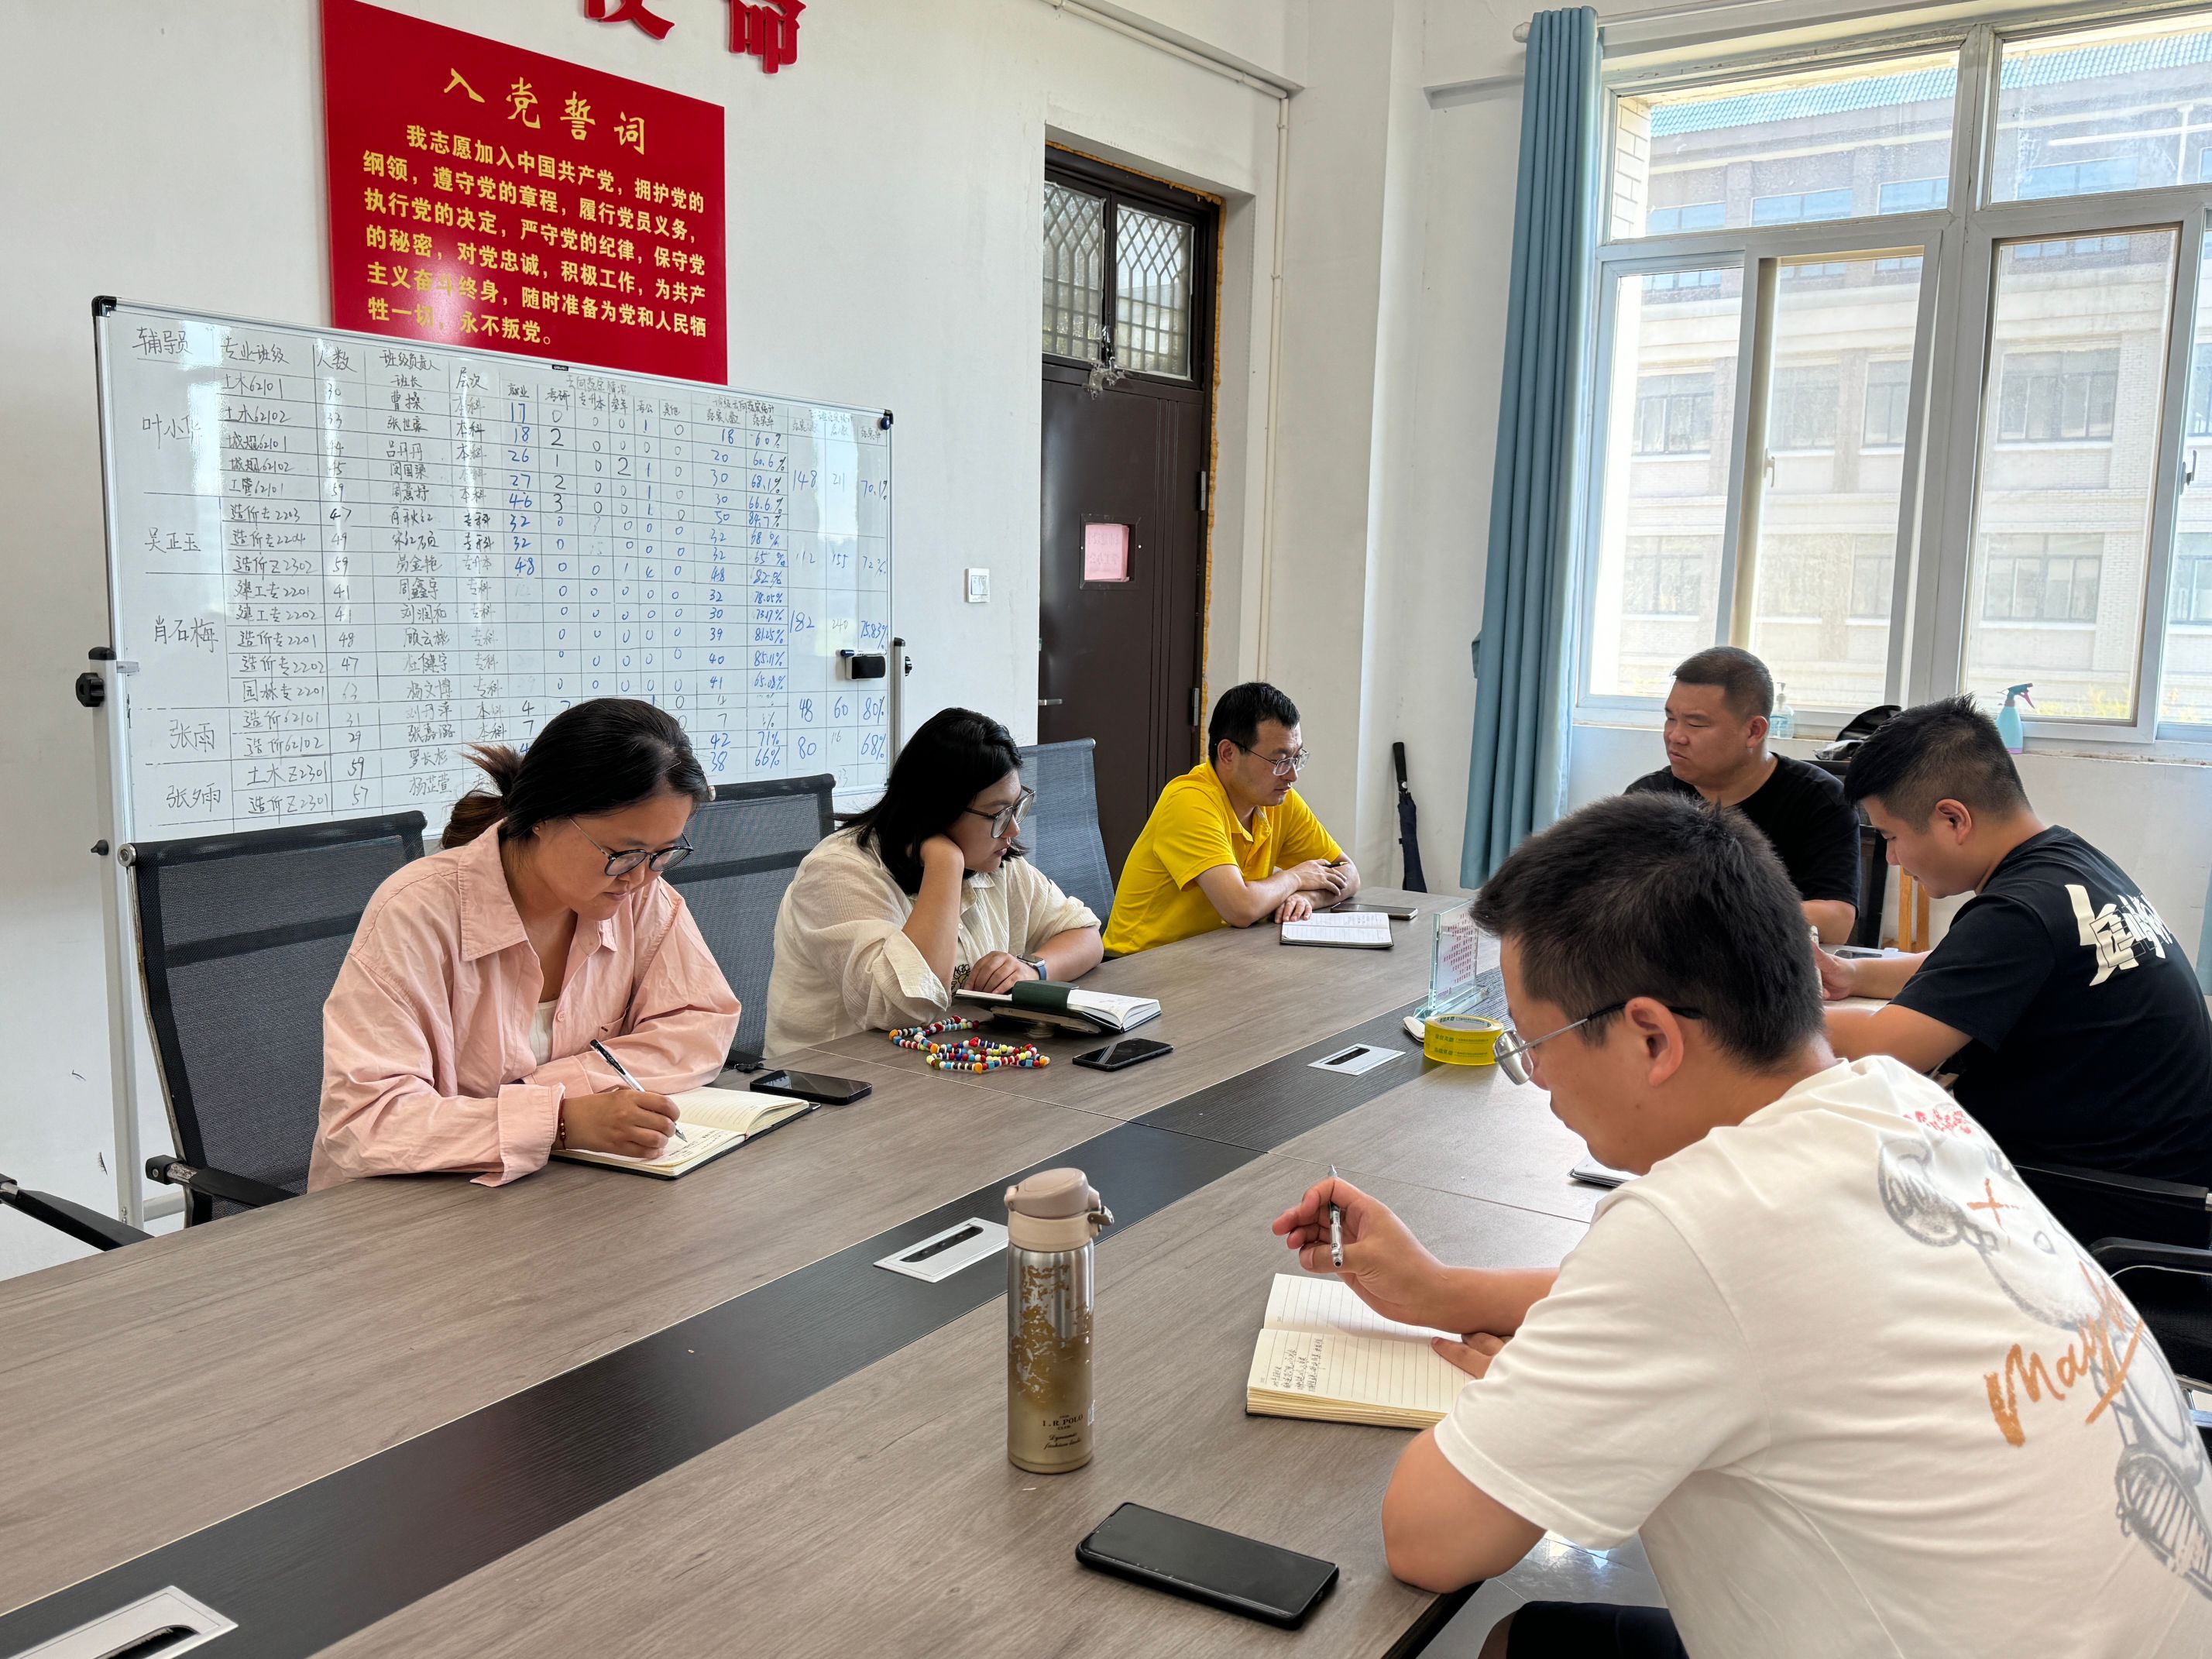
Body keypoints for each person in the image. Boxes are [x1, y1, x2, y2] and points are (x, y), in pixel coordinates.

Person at [1270, 792, 2212, 1657]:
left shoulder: (1696, 1225)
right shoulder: (1902, 1103)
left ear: (1651, 1036)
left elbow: (1425, 1539)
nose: (1538, 1074)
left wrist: (1532, 1388)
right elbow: (1746, 1298)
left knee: (1518, 1645)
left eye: (1536, 1041)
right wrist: (1448, 1293)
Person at [314, 699, 740, 1189]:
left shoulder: (640, 895)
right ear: (544, 816)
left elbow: (700, 1026)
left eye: (664, 853)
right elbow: (368, 1123)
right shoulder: (418, 912)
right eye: (623, 852)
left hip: (559, 1187)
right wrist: (559, 1120)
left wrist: (545, 1095)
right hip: (404, 1202)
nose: (641, 877)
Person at [1822, 696, 2212, 1211]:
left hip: (2098, 1198)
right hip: (2167, 1176)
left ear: (1953, 820)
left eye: (1892, 836)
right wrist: (1851, 974)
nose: (1891, 858)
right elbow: (1964, 969)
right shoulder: (2067, 862)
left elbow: (1885, 1047)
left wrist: (1744, 1009)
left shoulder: (2018, 913)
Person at [763, 708, 1104, 1053]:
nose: (1013, 829)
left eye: (1017, 807)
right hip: (843, 1072)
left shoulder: (994, 859)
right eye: (998, 814)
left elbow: (1086, 936)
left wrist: (1033, 971)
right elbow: (906, 1008)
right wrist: (945, 863)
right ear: (938, 811)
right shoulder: (838, 872)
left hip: (949, 1056)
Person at [1626, 646, 1860, 943]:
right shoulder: (1647, 799)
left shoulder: (1819, 800)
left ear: (1753, 731)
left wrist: (1709, 915)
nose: (1675, 736)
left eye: (1696, 723)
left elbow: (1836, 921)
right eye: (1671, 719)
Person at [1102, 682, 1358, 953]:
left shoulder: (1279, 800)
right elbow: (1241, 908)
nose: (1292, 775)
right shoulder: (1189, 802)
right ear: (1228, 753)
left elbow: (1349, 873)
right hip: (1139, 965)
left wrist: (1307, 897)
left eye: (1296, 758)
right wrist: (1294, 879)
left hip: (1218, 954)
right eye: (1279, 761)